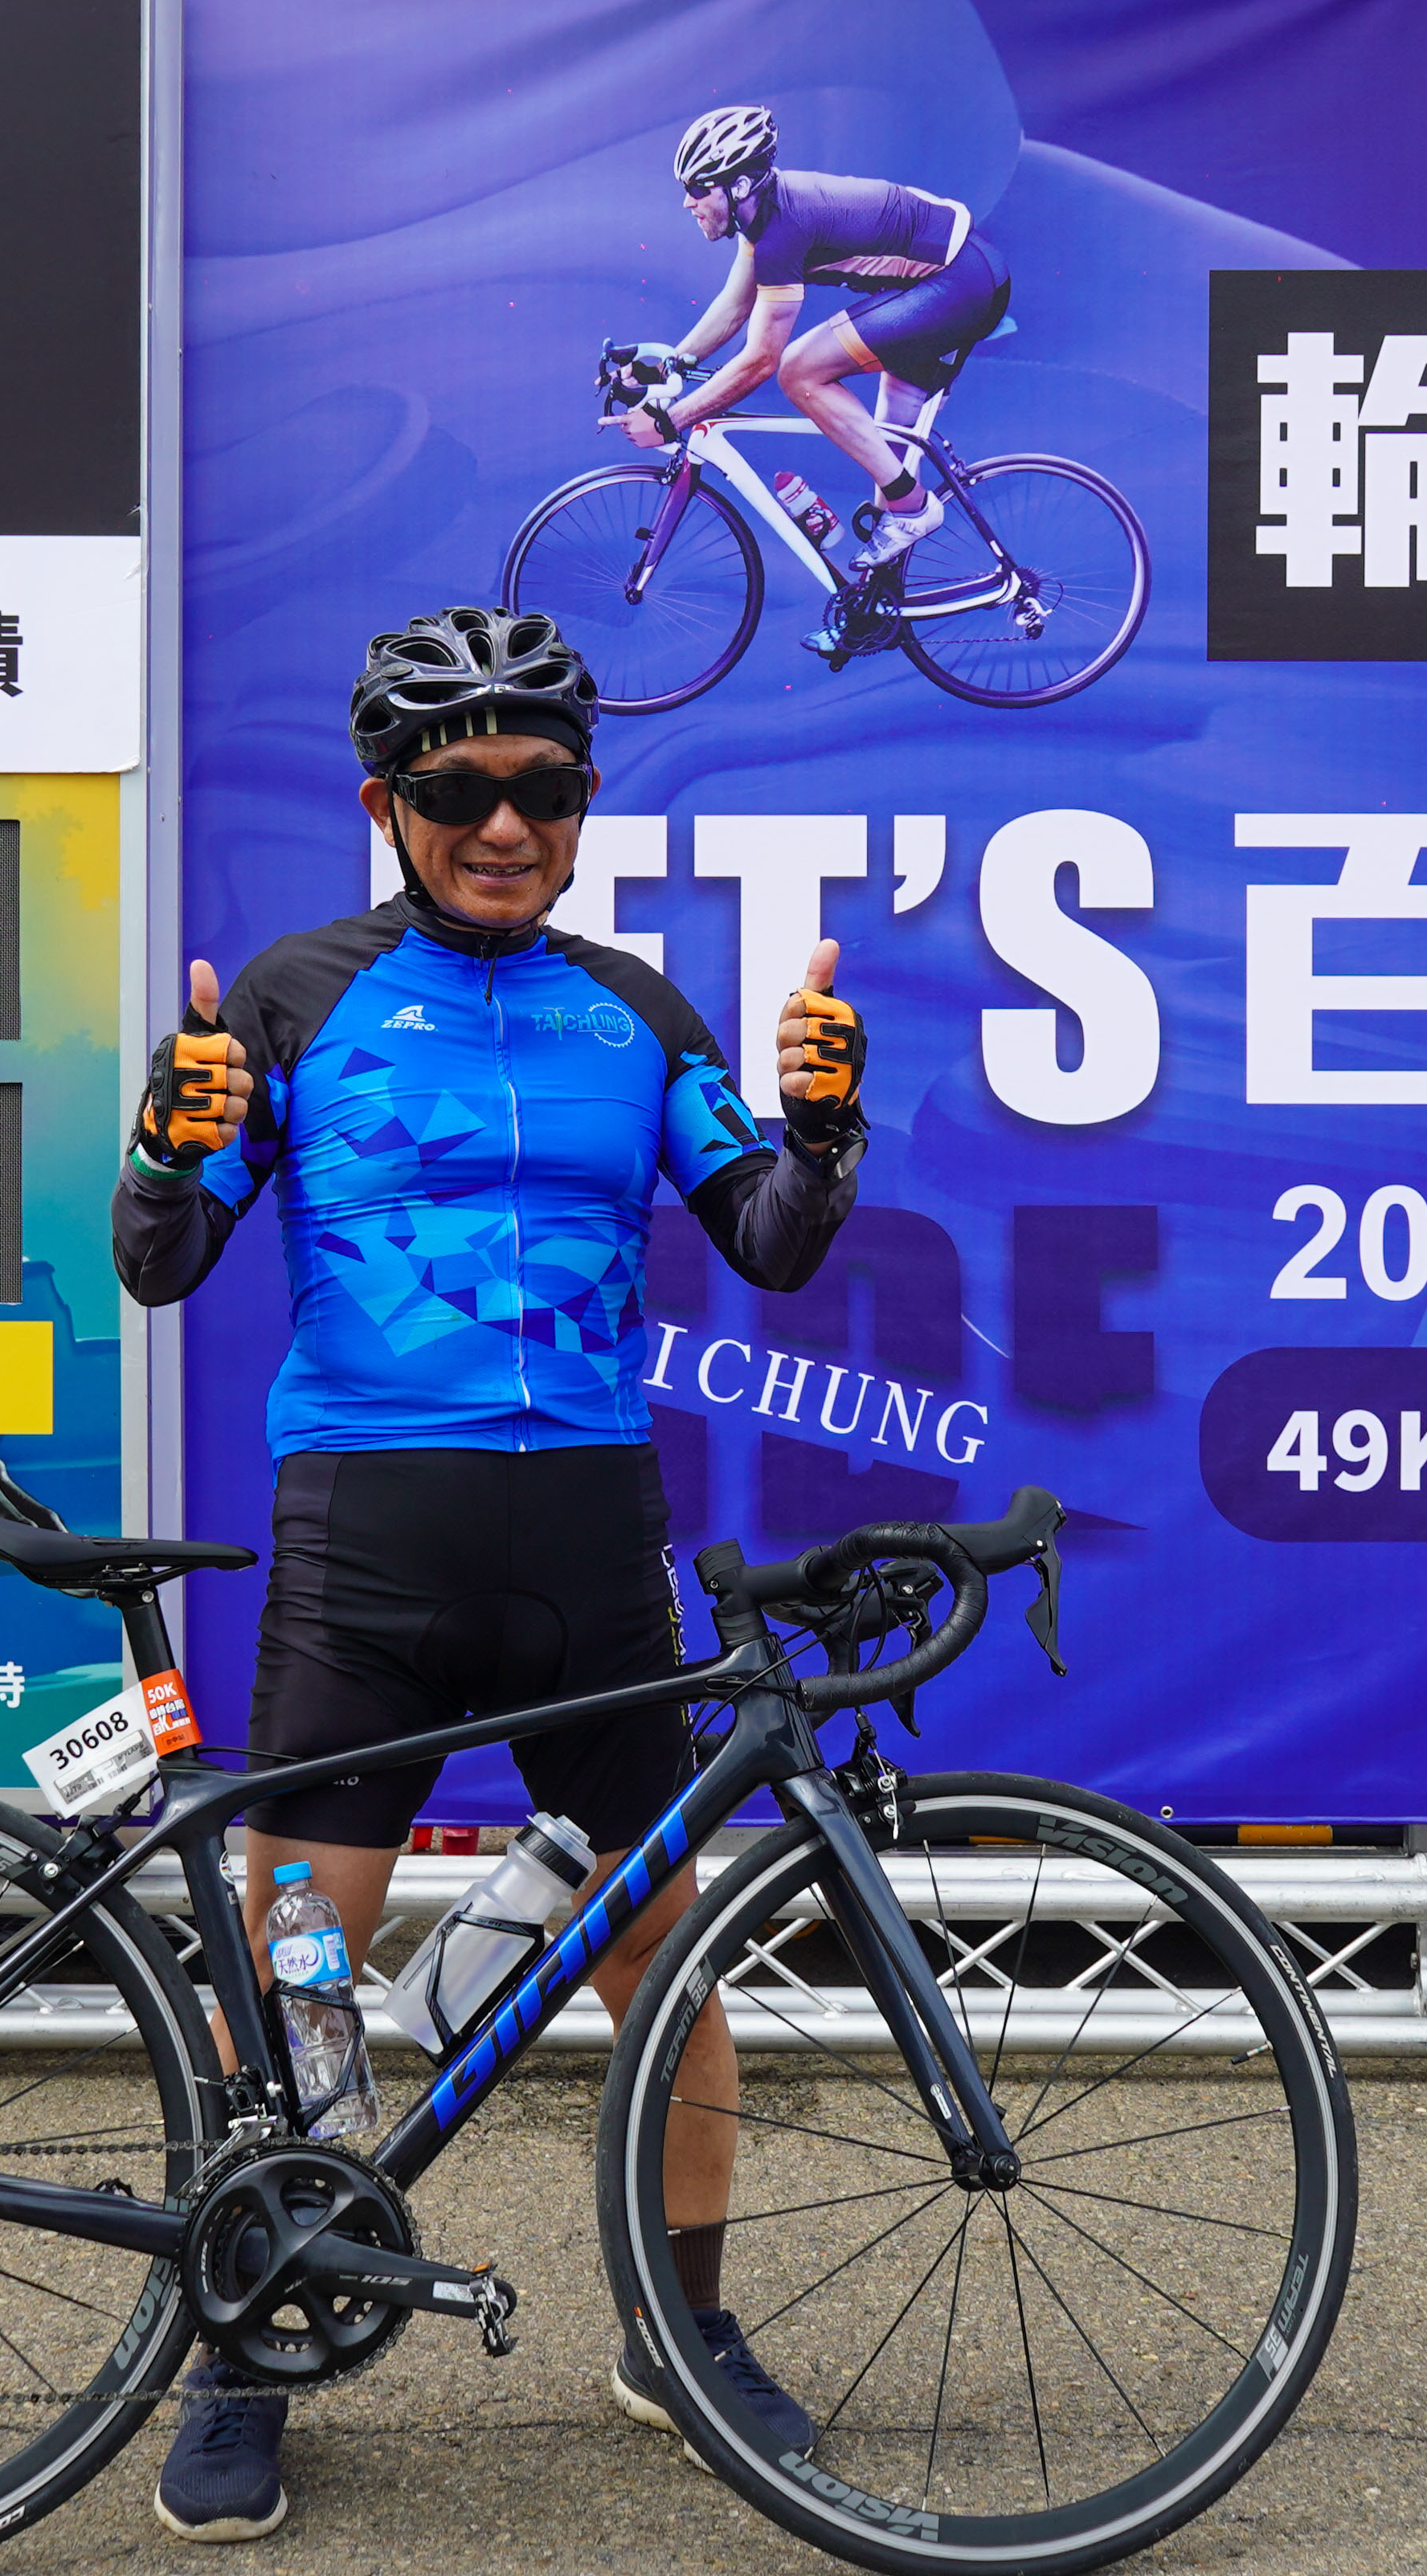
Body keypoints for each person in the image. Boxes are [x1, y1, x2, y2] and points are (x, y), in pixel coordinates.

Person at [115, 604, 870, 2543]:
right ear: (387, 802)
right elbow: (160, 1261)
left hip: (587, 1546)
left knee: (662, 1957)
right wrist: (167, 1142)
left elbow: (772, 1239)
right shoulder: (294, 995)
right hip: (366, 1538)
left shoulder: (638, 1008)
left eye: (544, 786)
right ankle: (247, 2346)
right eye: (459, 790)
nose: (506, 824)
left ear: (584, 799)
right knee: (297, 1966)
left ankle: (681, 2335)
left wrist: (825, 1126)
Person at [620, 103, 1009, 642]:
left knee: (800, 370)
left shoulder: (782, 229)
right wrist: (669, 364)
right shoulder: (762, 217)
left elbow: (760, 361)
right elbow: (733, 307)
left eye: (698, 188)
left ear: (738, 186)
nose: (688, 201)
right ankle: (874, 615)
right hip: (946, 280)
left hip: (958, 284)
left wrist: (672, 420)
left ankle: (914, 506)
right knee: (886, 455)